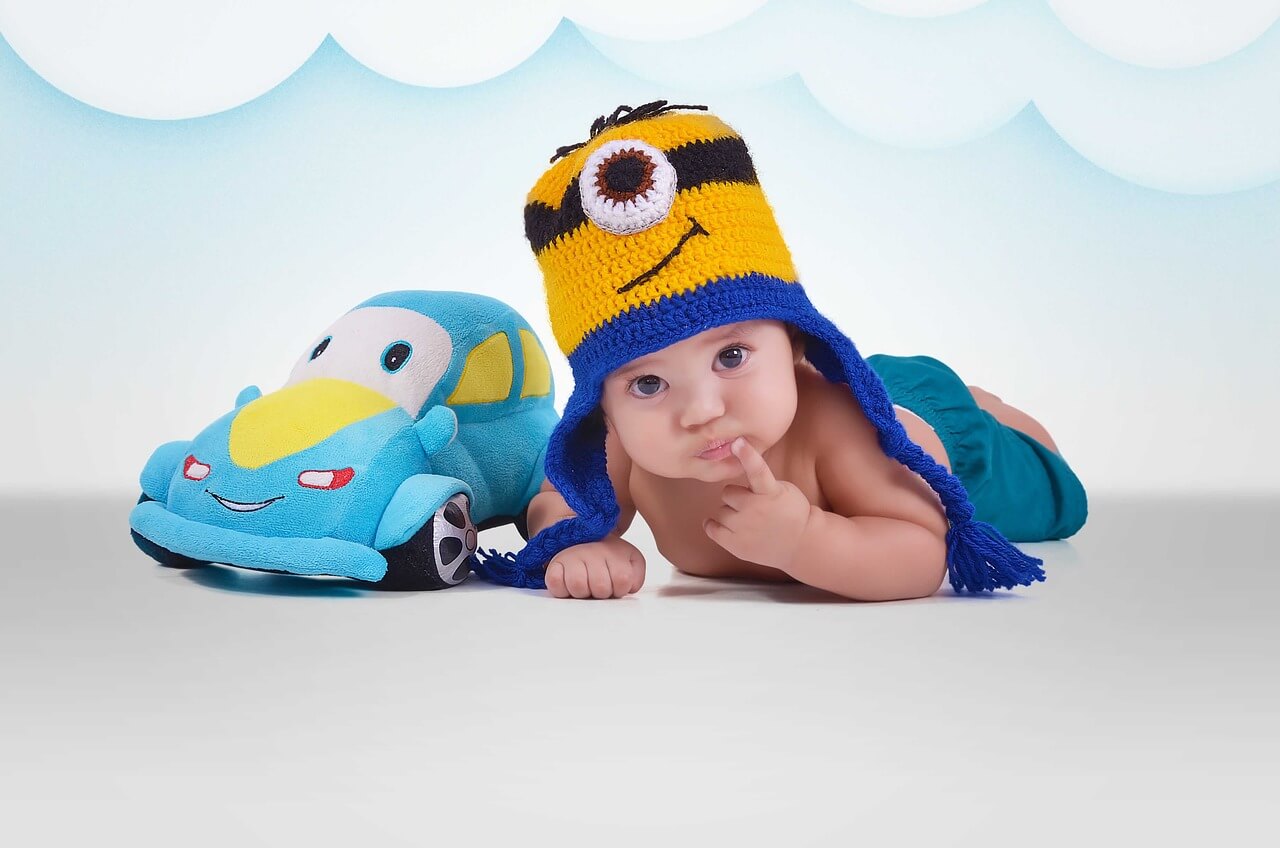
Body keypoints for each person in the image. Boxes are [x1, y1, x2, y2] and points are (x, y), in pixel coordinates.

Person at [472, 101, 1087, 601]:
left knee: (1056, 500)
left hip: (937, 436)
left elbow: (922, 554)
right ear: (601, 405)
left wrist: (806, 540)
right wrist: (579, 542)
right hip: (826, 389)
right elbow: (554, 501)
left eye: (731, 357)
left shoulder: (841, 431)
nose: (701, 411)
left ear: (795, 340)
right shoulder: (621, 446)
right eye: (648, 384)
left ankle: (988, 409)